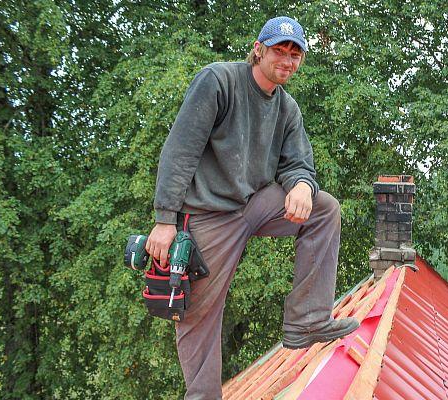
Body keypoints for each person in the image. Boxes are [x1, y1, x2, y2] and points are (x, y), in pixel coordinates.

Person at [145, 16, 359, 399]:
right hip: (208, 214)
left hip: (255, 205)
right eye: (279, 50)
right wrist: (165, 221)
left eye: (295, 54)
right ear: (258, 50)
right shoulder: (219, 81)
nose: (287, 60)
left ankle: (307, 321)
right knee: (198, 316)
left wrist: (302, 186)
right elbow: (180, 151)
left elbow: (298, 164)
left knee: (323, 208)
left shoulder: (287, 109)